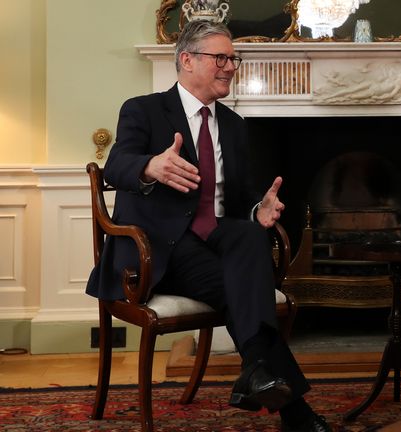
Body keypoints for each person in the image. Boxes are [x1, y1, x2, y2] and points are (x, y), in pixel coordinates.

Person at [85, 20, 332, 432]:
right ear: (186, 60)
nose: (231, 67)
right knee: (248, 291)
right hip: (160, 246)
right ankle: (295, 411)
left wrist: (259, 211)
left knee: (250, 235)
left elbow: (237, 201)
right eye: (221, 58)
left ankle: (256, 369)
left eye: (233, 59)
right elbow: (117, 164)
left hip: (215, 236)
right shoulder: (143, 109)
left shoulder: (234, 125)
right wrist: (151, 165)